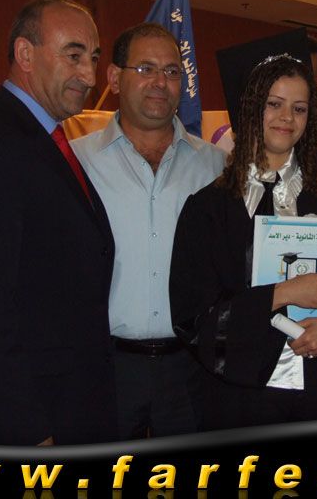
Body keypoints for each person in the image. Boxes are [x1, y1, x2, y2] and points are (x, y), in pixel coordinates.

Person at [0, 0, 117, 445]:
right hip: (29, 420)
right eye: (73, 55)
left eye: (93, 58)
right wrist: (28, 430)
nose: (89, 76)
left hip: (68, 405)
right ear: (25, 54)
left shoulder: (43, 138)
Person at [170, 54, 317, 430]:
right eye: (274, 104)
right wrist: (283, 293)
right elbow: (193, 315)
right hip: (245, 393)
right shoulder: (208, 208)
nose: (287, 118)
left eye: (299, 108)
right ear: (252, 109)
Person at [72, 23, 226, 439]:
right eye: (145, 69)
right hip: (105, 366)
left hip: (191, 369)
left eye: (172, 71)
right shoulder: (77, 163)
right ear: (114, 78)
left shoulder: (216, 166)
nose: (161, 82)